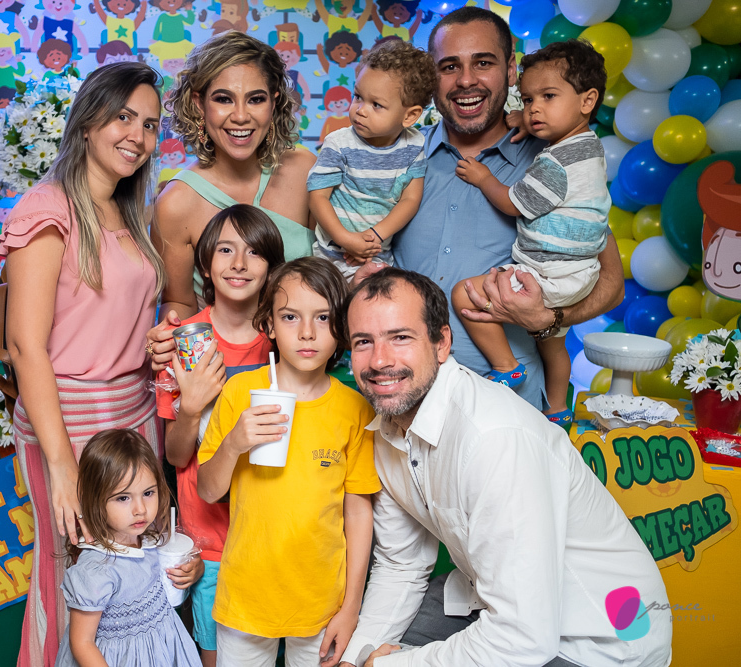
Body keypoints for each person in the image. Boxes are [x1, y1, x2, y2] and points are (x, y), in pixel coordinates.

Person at [337, 268, 672, 667]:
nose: (379, 361)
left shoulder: (493, 438)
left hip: (601, 641)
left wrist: (388, 665)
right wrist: (357, 658)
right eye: (364, 342)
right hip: (496, 601)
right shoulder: (387, 430)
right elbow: (402, 563)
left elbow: (522, 639)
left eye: (400, 338)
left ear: (442, 343)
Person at [0, 62, 195, 667]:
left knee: (136, 581)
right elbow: (26, 346)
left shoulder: (129, 211)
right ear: (87, 123)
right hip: (70, 421)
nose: (138, 134)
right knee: (73, 579)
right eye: (123, 117)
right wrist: (61, 466)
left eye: (151, 124)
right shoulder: (47, 208)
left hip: (136, 416)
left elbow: (112, 315)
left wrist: (154, 342)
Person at [382, 6, 623, 417]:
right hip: (403, 400)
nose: (466, 80)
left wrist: (549, 318)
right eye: (449, 66)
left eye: (483, 63)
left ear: (510, 70)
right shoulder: (399, 154)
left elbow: (611, 284)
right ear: (431, 76)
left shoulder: (555, 161)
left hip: (511, 410)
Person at [197, 257, 380, 667]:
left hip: (322, 604)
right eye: (290, 316)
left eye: (323, 317)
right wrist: (234, 444)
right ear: (269, 325)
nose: (307, 332)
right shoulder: (240, 392)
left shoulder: (355, 410)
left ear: (342, 327)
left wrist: (351, 607)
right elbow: (208, 491)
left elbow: (358, 512)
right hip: (246, 597)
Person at [452, 39, 610, 419]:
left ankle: (507, 366)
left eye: (548, 97)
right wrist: (528, 121)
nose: (534, 108)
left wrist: (484, 177)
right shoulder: (588, 147)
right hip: (579, 274)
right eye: (527, 100)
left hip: (547, 274)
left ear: (587, 101)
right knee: (553, 347)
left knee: (464, 293)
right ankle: (558, 409)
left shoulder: (555, 162)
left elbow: (513, 203)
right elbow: (554, 121)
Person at [156, 204, 285, 667]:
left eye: (254, 252)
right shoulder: (184, 342)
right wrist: (191, 407)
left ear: (271, 267)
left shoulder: (285, 338)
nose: (239, 263)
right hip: (209, 537)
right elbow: (175, 455)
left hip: (273, 528)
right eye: (226, 250)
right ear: (206, 265)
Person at [154, 30, 316, 320]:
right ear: (199, 103)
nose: (241, 116)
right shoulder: (175, 204)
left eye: (255, 99)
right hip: (221, 349)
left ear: (274, 102)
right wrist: (171, 325)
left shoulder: (305, 170)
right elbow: (179, 302)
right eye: (224, 99)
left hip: (309, 345)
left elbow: (335, 266)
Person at [55, 429, 202, 667]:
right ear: (95, 499)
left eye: (148, 493)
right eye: (123, 498)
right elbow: (82, 643)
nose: (140, 509)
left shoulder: (149, 540)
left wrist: (194, 569)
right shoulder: (97, 570)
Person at [308, 39, 434, 279]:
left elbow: (410, 199)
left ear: (410, 116)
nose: (360, 110)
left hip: (376, 257)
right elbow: (317, 197)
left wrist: (375, 236)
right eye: (358, 96)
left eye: (376, 104)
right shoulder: (339, 143)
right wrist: (346, 239)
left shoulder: (413, 146)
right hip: (330, 258)